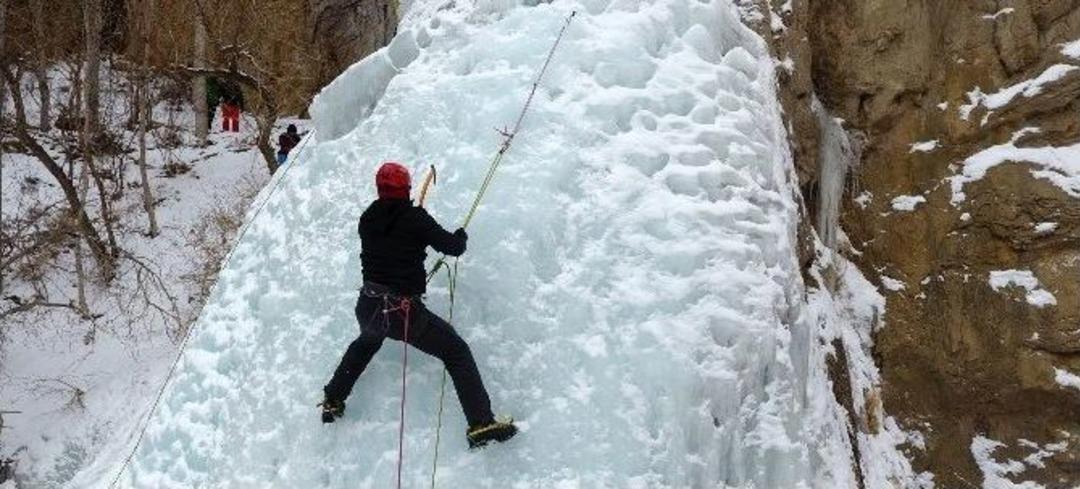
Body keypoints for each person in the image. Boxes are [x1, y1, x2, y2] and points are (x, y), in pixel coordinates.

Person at [321, 162, 517, 449]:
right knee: (456, 351)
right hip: (402, 311)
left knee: (365, 343)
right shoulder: (415, 219)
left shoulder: (368, 218)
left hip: (369, 305)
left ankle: (333, 399)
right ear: (407, 188)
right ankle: (481, 422)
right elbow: (453, 247)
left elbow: (392, 245)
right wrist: (459, 236)